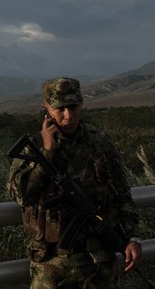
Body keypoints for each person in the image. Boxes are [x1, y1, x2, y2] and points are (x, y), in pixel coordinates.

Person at [8, 77, 142, 289]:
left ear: (81, 104)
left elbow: (122, 192)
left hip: (100, 261)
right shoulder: (33, 147)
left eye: (74, 107)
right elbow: (22, 195)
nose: (68, 116)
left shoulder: (99, 141)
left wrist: (132, 237)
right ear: (46, 109)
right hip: (52, 266)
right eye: (60, 109)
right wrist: (47, 151)